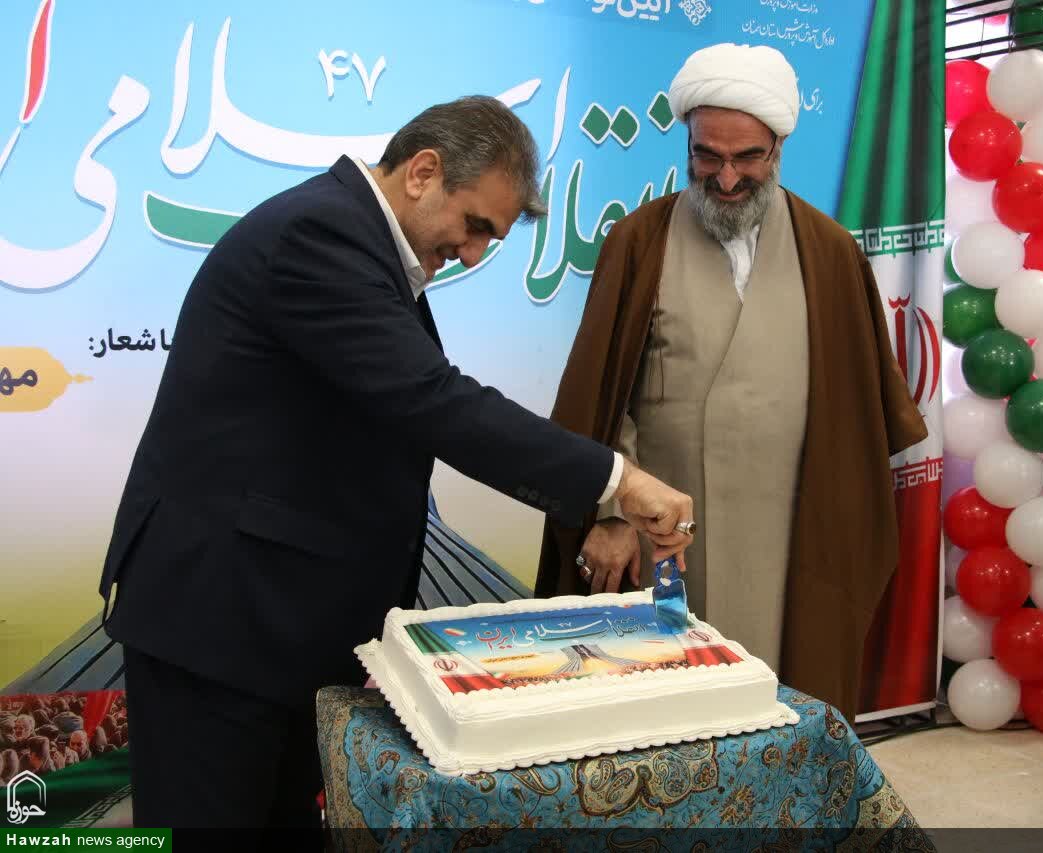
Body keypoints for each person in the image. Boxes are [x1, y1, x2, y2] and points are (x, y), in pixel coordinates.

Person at [97, 96, 694, 836]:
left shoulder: (358, 243)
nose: (473, 254)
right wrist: (617, 480)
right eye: (476, 225)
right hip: (221, 626)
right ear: (423, 172)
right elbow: (431, 400)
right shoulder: (320, 234)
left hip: (276, 628)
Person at [535, 43, 926, 719]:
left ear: (778, 148)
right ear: (688, 144)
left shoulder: (831, 252)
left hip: (793, 535)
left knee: (777, 706)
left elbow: (859, 416)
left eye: (748, 158)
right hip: (661, 535)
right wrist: (610, 513)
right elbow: (602, 398)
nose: (725, 178)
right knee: (664, 717)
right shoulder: (639, 241)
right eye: (707, 156)